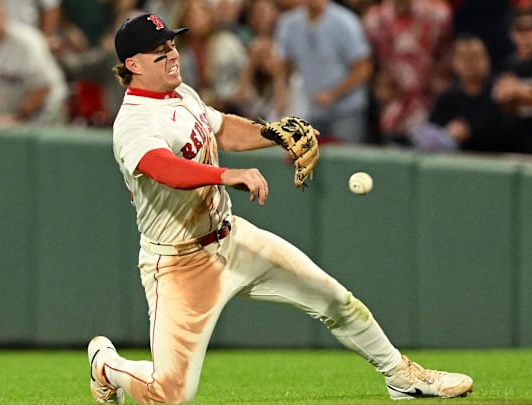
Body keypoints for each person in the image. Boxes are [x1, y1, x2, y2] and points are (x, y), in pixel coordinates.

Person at [86, 12, 474, 404]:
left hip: (230, 236)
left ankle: (400, 376)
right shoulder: (133, 121)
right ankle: (105, 365)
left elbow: (222, 128)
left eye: (171, 45)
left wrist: (273, 133)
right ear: (132, 65)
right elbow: (161, 167)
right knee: (171, 393)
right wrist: (224, 175)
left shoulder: (181, 93)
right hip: (179, 263)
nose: (172, 55)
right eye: (158, 52)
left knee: (334, 298)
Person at [273, 0, 373, 144]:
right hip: (310, 108)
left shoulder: (345, 22)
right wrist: (281, 91)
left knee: (344, 160)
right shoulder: (289, 24)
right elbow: (284, 64)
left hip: (345, 110)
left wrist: (333, 94)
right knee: (306, 160)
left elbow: (363, 68)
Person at [362, 0, 453, 146]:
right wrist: (378, 84)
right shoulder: (375, 20)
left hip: (431, 104)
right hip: (392, 106)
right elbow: (369, 64)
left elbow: (448, 57)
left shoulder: (438, 15)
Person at [427, 33, 510, 153]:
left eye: (476, 57)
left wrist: (471, 131)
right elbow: (431, 132)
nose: (472, 63)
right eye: (465, 58)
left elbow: (508, 131)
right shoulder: (447, 97)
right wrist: (447, 134)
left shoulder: (502, 91)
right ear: (455, 62)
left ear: (487, 59)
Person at [492, 7, 532, 156]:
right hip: (518, 139)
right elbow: (504, 98)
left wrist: (519, 92)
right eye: (521, 30)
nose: (527, 35)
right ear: (512, 35)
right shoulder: (509, 64)